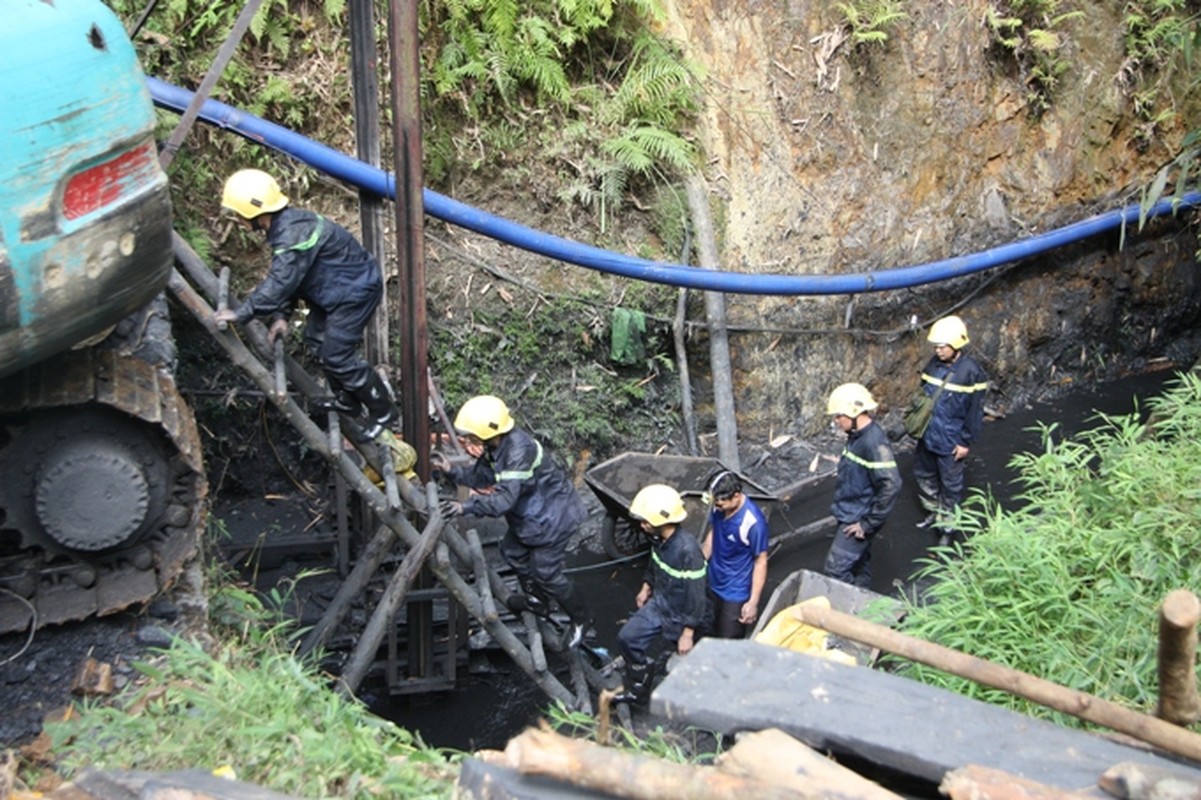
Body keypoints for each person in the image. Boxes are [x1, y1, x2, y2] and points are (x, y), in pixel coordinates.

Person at [214, 168, 397, 438]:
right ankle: (348, 400)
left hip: (355, 292)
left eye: (239, 214)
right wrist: (280, 316)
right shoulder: (287, 228)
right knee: (316, 339)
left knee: (337, 355)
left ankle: (384, 411)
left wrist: (243, 313)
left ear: (254, 212)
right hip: (333, 291)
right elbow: (293, 278)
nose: (238, 220)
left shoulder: (291, 236)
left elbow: (280, 281)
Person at [431, 395, 593, 648]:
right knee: (511, 551)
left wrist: (465, 507)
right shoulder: (495, 447)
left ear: (486, 432)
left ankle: (581, 619)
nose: (468, 441)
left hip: (554, 517)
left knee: (546, 572)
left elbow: (503, 501)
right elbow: (484, 477)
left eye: (471, 436)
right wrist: (452, 471)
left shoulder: (518, 450)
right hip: (531, 517)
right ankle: (537, 600)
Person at [614, 483, 710, 705]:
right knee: (627, 638)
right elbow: (654, 563)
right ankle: (639, 686)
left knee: (684, 659)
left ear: (661, 521)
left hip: (682, 611)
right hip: (661, 603)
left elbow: (696, 596)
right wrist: (646, 586)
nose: (642, 525)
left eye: (646, 521)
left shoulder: (688, 551)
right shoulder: (658, 540)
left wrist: (688, 632)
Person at [913, 315, 988, 546]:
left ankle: (947, 527)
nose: (938, 350)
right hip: (928, 435)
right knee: (924, 475)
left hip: (951, 439)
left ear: (956, 344)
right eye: (935, 346)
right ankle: (933, 513)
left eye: (942, 346)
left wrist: (965, 442)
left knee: (951, 485)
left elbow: (975, 412)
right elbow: (923, 397)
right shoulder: (933, 366)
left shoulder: (971, 372)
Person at [823, 383, 902, 588]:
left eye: (839, 416)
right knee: (858, 564)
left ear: (854, 412)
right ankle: (865, 605)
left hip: (856, 518)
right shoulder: (857, 436)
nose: (836, 421)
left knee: (836, 570)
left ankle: (851, 613)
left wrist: (867, 524)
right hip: (850, 511)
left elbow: (891, 485)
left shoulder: (873, 443)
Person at [700, 470, 769, 639]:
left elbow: (761, 561)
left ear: (736, 496)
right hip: (714, 579)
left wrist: (753, 602)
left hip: (735, 591)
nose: (717, 508)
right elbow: (714, 532)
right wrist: (700, 560)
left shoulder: (753, 523)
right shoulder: (719, 508)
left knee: (728, 640)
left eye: (721, 504)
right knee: (707, 630)